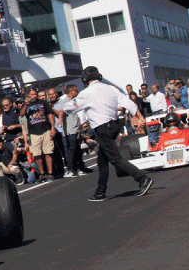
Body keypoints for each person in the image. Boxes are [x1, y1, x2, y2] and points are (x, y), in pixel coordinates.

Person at [63, 66, 153, 202]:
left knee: (116, 159)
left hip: (102, 129)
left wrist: (67, 105)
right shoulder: (111, 88)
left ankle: (142, 179)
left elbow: (69, 107)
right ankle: (100, 192)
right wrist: (139, 115)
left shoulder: (86, 93)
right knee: (102, 161)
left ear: (85, 79)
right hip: (115, 125)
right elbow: (128, 102)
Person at [20, 89, 56, 182]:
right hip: (34, 133)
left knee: (48, 152)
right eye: (32, 94)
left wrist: (52, 127)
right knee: (37, 154)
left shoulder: (43, 102)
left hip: (45, 130)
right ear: (28, 95)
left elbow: (50, 114)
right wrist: (25, 104)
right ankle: (42, 174)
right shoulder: (26, 105)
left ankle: (50, 173)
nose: (34, 96)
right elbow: (22, 114)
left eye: (35, 94)